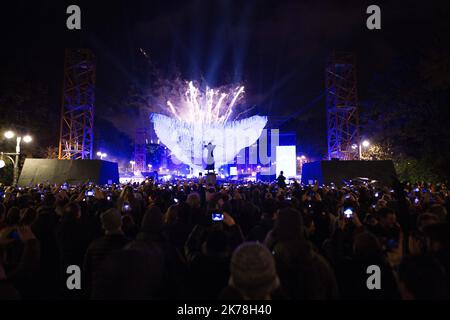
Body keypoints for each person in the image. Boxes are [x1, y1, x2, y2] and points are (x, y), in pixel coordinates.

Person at [83, 208, 129, 297]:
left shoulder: (94, 246)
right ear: (121, 223)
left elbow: (87, 272)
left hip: (100, 292)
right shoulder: (130, 246)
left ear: (103, 225)